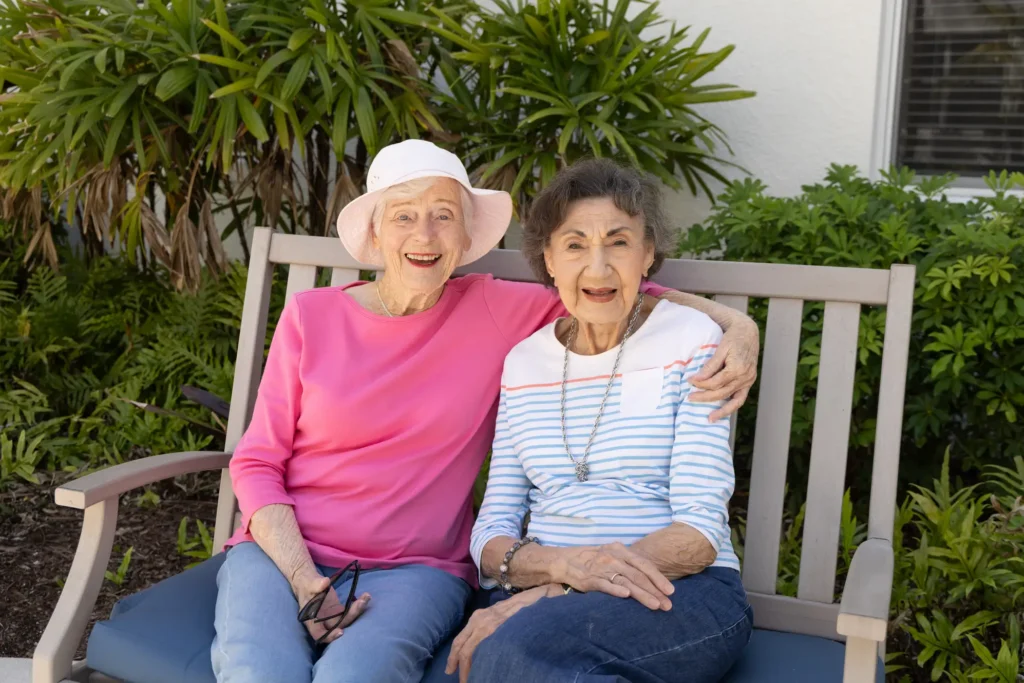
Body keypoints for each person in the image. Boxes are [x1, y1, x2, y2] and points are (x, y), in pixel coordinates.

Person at [211, 140, 759, 683]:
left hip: (416, 569)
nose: (424, 235)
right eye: (404, 216)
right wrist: (305, 579)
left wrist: (738, 327)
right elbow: (258, 462)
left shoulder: (499, 311)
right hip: (285, 553)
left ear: (466, 234)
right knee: (259, 672)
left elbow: (612, 287)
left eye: (443, 216)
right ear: (375, 233)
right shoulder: (313, 315)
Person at [439, 158, 751, 683]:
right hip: (549, 600)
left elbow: (698, 532)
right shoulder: (524, 363)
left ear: (648, 254)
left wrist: (555, 589)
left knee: (515, 657)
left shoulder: (691, 341)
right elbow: (491, 533)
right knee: (514, 658)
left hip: (682, 589)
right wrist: (558, 571)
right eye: (576, 244)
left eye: (619, 242)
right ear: (549, 260)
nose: (599, 267)